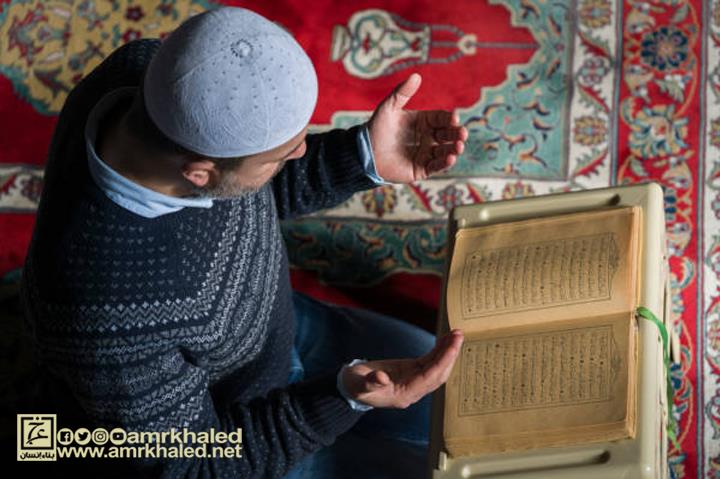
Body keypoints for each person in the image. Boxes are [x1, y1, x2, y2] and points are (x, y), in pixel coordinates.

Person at [18, 6, 467, 478]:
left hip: (262, 327)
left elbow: (247, 189)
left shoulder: (145, 72)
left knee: (458, 394)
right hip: (233, 424)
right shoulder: (105, 320)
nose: (300, 151)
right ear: (198, 174)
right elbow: (198, 466)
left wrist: (363, 155)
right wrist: (342, 398)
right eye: (280, 156)